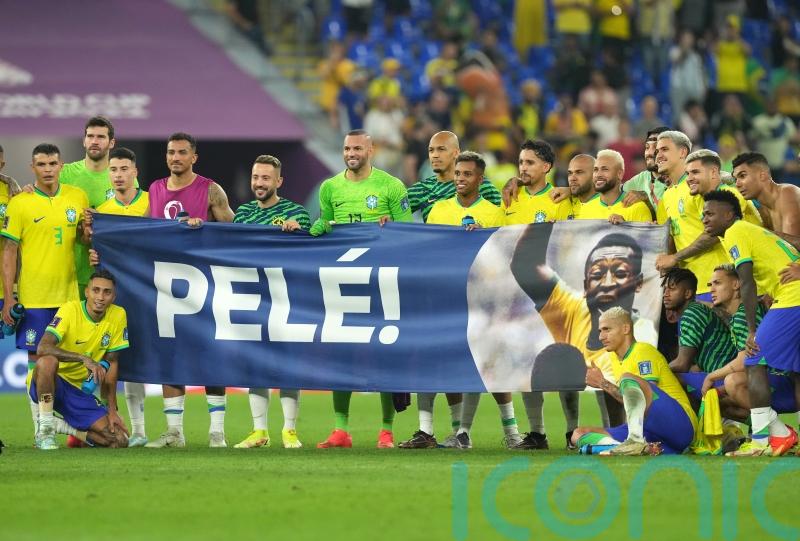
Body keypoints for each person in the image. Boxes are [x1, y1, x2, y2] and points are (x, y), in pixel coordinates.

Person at [415, 151, 522, 450]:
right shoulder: (438, 210)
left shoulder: (494, 212)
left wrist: (481, 239)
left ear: (480, 179)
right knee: (448, 363)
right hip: (447, 297)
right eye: (458, 174)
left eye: (467, 175)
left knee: (490, 365)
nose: (460, 179)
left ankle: (512, 431)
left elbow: (504, 254)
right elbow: (430, 250)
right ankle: (459, 432)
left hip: (483, 300)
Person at [315, 129, 412, 449]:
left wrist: (394, 228)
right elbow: (326, 227)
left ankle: (386, 431)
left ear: (371, 150)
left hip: (381, 281)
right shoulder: (329, 188)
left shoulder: (391, 186)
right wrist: (320, 226)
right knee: (341, 354)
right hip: (344, 283)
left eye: (357, 147)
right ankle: (340, 429)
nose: (351, 152)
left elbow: (411, 231)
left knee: (382, 354)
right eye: (346, 148)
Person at [510, 226, 657, 432]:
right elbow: (525, 265)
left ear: (638, 283)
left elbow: (632, 396)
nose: (606, 282)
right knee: (553, 358)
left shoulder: (641, 335)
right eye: (597, 274)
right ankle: (541, 432)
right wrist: (545, 217)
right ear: (586, 285)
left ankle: (616, 433)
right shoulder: (574, 309)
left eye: (620, 273)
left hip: (626, 421)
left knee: (575, 369)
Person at [145, 132, 235, 449]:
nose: (175, 158)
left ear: (194, 156)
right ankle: (174, 432)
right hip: (166, 287)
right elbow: (142, 235)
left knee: (210, 357)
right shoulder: (154, 189)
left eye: (182, 152)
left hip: (204, 286)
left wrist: (206, 227)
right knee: (170, 357)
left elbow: (235, 234)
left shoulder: (210, 190)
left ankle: (217, 431)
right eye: (171, 152)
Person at [701, 190, 800, 456]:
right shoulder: (752, 232)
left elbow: (746, 280)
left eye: (710, 213)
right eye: (702, 214)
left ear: (729, 214)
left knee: (754, 359)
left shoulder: (735, 231)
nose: (704, 219)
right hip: (790, 296)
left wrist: (753, 330)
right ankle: (780, 435)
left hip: (793, 298)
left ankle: (762, 439)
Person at [1, 143, 89, 438]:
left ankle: (68, 421)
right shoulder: (20, 203)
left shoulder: (77, 197)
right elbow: (9, 253)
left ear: (61, 165)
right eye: (42, 164)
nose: (48, 169)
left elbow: (84, 238)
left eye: (52, 163)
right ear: (32, 168)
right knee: (36, 363)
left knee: (69, 363)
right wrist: (8, 298)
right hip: (34, 298)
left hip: (69, 297)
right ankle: (41, 427)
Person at [501, 140, 576, 450]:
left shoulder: (561, 199)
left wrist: (572, 189)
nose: (523, 168)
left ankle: (572, 432)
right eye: (521, 162)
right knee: (527, 363)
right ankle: (537, 433)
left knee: (564, 364)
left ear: (546, 167)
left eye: (530, 162)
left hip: (556, 294)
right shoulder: (509, 198)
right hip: (517, 296)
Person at [232, 155, 310, 450]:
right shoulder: (243, 214)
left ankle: (289, 430)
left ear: (279, 182)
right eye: (255, 177)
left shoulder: (297, 213)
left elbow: (310, 240)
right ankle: (259, 430)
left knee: (287, 366)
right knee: (256, 365)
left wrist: (296, 230)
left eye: (266, 178)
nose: (259, 183)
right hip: (253, 298)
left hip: (287, 300)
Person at [571, 307, 697, 455]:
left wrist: (602, 383)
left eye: (607, 330)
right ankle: (639, 448)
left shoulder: (643, 351)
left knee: (627, 378)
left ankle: (634, 442)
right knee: (578, 434)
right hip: (651, 432)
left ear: (625, 328)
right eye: (600, 331)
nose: (601, 337)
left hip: (680, 426)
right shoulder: (614, 358)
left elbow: (645, 402)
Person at [87, 147, 149, 447]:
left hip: (150, 294)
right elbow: (94, 253)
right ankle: (126, 426)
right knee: (118, 359)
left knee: (146, 358)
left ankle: (146, 428)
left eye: (124, 169)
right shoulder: (102, 211)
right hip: (114, 299)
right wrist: (93, 253)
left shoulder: (152, 202)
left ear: (135, 172)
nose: (119, 175)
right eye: (113, 170)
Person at [29, 270, 129, 449]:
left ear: (113, 296)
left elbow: (112, 363)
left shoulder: (118, 315)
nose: (100, 296)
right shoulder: (70, 310)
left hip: (80, 392)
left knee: (119, 440)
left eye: (107, 292)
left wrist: (112, 410)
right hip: (53, 382)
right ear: (87, 292)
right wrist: (83, 358)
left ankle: (63, 427)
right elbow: (43, 348)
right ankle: (45, 429)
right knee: (47, 362)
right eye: (96, 290)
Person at [655, 147, 761, 302]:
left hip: (747, 282)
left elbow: (712, 234)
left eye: (695, 172)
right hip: (718, 281)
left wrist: (675, 257)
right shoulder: (704, 200)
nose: (689, 178)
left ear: (713, 173)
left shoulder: (730, 196)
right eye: (688, 173)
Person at [700, 265, 797, 422]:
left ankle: (781, 432)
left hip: (786, 383)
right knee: (722, 400)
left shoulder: (743, 316)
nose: (711, 289)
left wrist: (711, 377)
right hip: (777, 381)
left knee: (732, 382)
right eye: (710, 285)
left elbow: (744, 362)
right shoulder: (742, 313)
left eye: (717, 283)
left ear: (736, 284)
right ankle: (767, 435)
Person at [60, 117, 118, 301]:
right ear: (83, 140)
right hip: (68, 274)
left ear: (111, 143)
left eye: (101, 137)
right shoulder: (65, 174)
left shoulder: (123, 177)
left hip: (105, 275)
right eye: (90, 136)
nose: (94, 141)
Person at [660, 267, 737, 399]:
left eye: (672, 289)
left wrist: (655, 371)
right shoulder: (692, 311)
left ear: (687, 294)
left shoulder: (692, 313)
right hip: (723, 376)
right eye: (665, 289)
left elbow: (682, 364)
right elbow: (692, 366)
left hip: (727, 377)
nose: (665, 294)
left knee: (670, 379)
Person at [407, 131, 501, 223]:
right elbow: (394, 217)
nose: (434, 155)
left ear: (456, 153)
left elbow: (503, 218)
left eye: (441, 149)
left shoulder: (480, 185)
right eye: (431, 150)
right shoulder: (420, 189)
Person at [732, 152, 800, 253]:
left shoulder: (787, 193)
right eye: (735, 179)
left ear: (762, 176)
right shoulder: (760, 210)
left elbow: (793, 250)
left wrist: (758, 232)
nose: (737, 184)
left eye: (742, 176)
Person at [574, 149, 652, 223]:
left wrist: (626, 226)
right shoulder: (586, 209)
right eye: (596, 169)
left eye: (605, 169)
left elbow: (645, 236)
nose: (598, 174)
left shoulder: (638, 207)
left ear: (619, 174)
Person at [621, 126, 670, 209]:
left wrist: (647, 200)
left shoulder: (686, 180)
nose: (649, 153)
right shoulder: (642, 178)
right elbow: (615, 193)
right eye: (647, 147)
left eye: (656, 147)